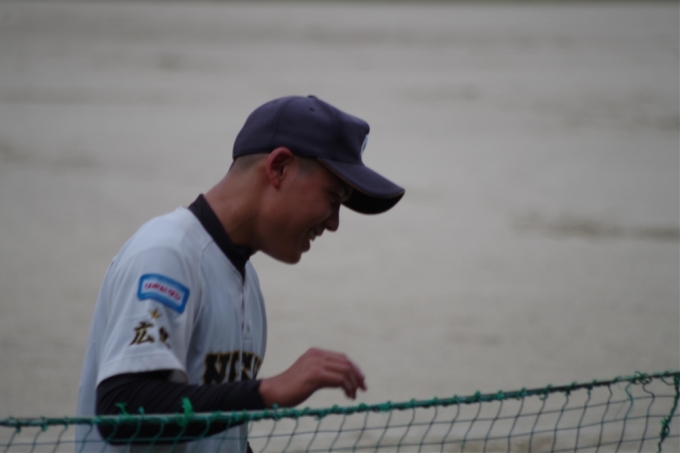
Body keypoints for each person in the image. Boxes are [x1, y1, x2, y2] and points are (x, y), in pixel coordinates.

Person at [75, 95, 405, 452]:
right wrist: (268, 391)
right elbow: (121, 411)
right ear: (279, 167)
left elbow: (218, 437)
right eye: (334, 198)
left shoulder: (246, 282)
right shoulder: (166, 253)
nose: (334, 223)